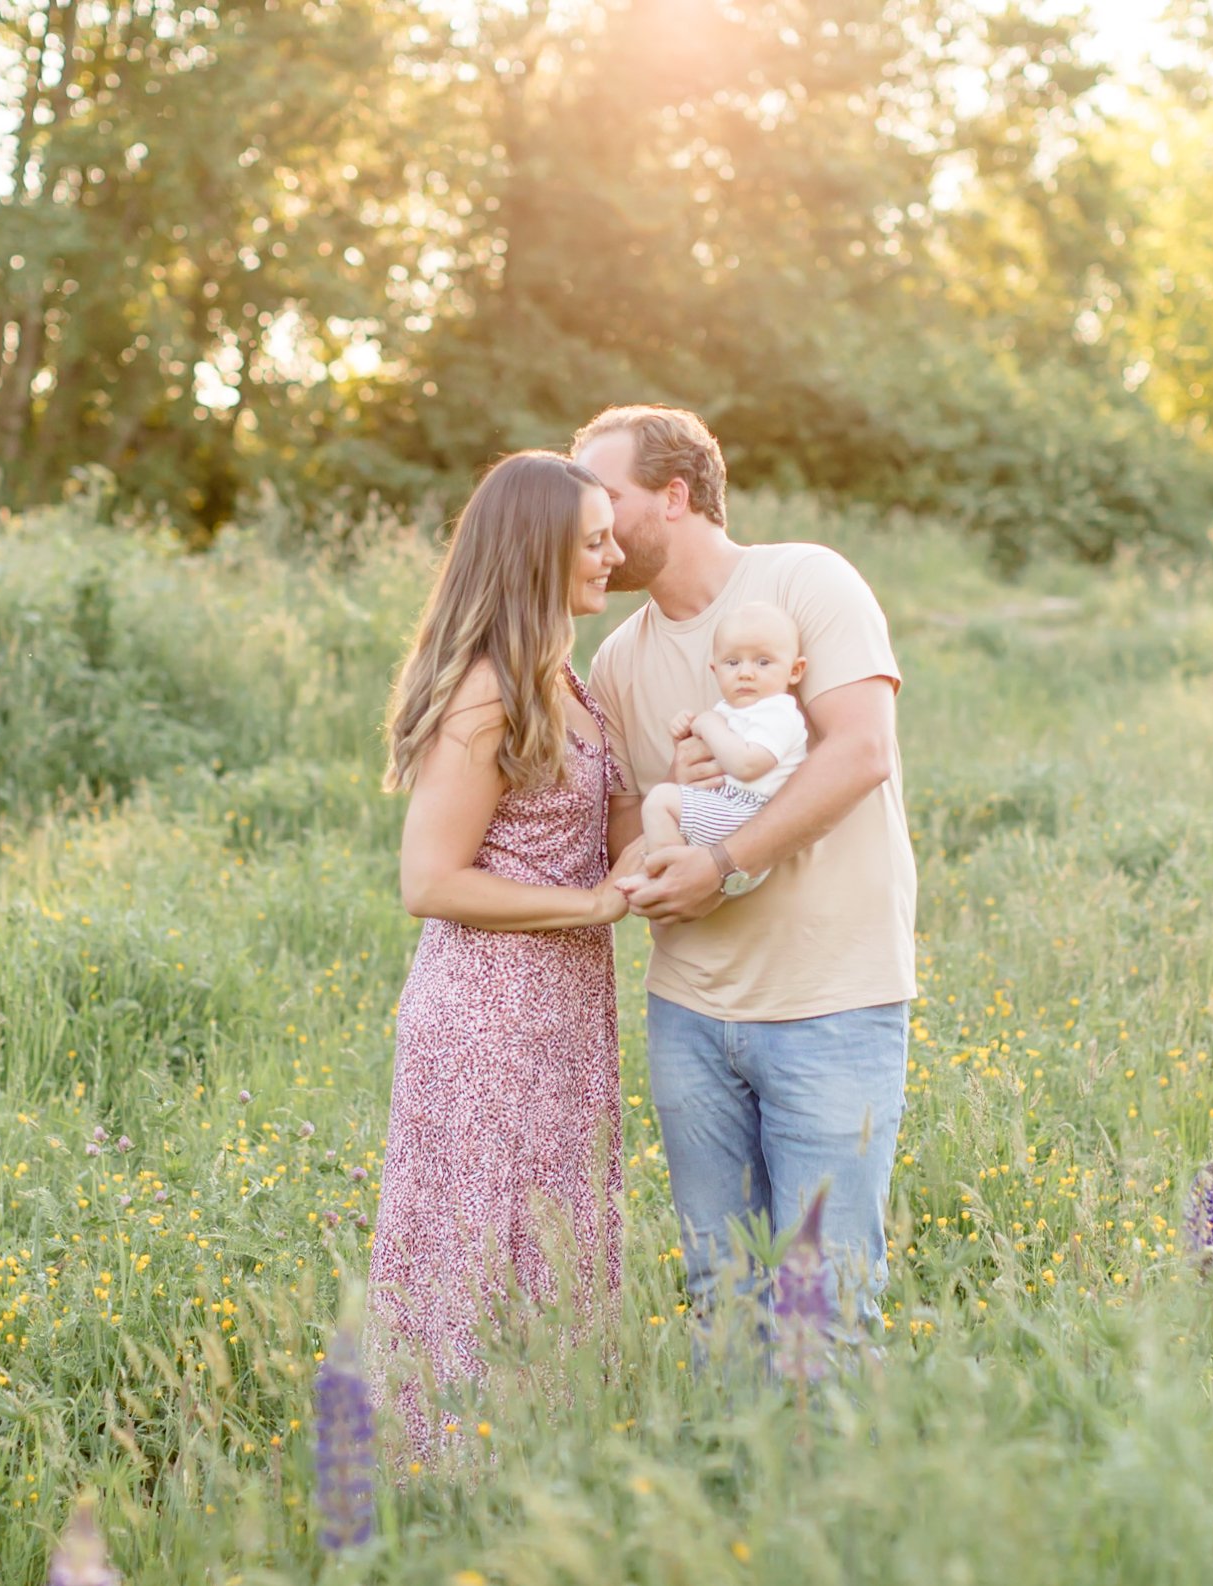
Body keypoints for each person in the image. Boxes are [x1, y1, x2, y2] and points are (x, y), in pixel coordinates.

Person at [577, 405, 917, 1341]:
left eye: (604, 497)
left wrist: (723, 864)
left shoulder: (806, 581)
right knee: (719, 1300)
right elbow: (620, 834)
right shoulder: (616, 660)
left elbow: (858, 755)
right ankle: (730, 1487)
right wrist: (655, 856)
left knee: (823, 1306)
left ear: (674, 497)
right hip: (690, 1016)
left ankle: (819, 1490)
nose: (586, 521)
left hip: (829, 1007)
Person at [365, 450, 639, 1455]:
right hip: (489, 1012)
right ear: (537, 551)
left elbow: (609, 846)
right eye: (595, 539)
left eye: (614, 532)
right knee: (485, 1240)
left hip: (561, 1011)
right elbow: (430, 881)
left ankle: (539, 1461)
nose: (616, 553)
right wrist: (590, 903)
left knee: (551, 1232)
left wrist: (686, 782)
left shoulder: (566, 678)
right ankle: (450, 1477)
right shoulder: (489, 692)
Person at [639, 601, 809, 866]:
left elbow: (746, 764)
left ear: (795, 670)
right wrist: (686, 738)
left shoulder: (778, 712)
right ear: (715, 670)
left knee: (660, 801)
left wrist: (708, 724)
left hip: (751, 811)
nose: (745, 673)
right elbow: (710, 757)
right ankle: (675, 866)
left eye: (763, 662)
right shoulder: (731, 711)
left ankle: (668, 871)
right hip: (726, 805)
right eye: (732, 662)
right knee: (662, 803)